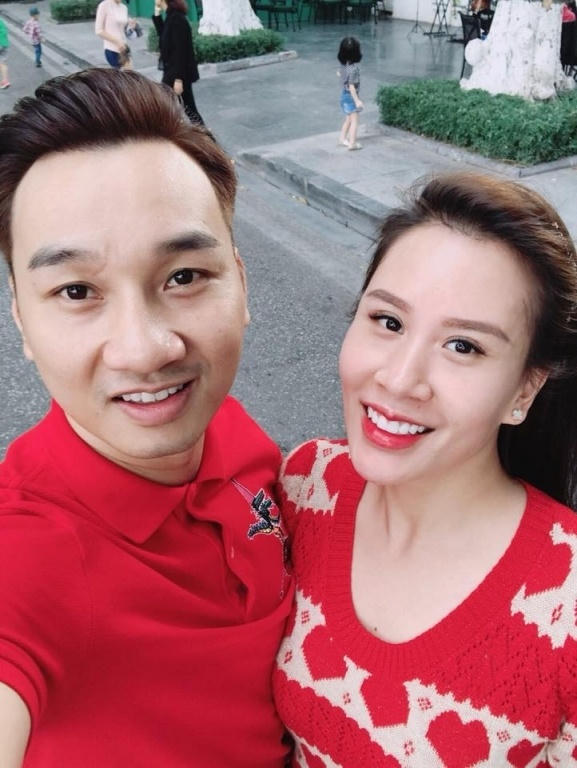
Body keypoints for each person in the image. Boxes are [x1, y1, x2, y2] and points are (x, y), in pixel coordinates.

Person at [0, 68, 292, 767]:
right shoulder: (30, 552)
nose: (146, 350)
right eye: (77, 291)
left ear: (241, 281)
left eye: (184, 277)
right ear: (22, 322)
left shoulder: (231, 430)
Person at [273, 172, 577, 766]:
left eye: (463, 346)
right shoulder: (305, 484)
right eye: (388, 321)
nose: (398, 379)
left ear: (524, 389)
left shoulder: (565, 606)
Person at [152, 0, 203, 124]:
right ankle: (201, 132)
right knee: (187, 109)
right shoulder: (171, 16)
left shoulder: (177, 19)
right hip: (172, 71)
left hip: (177, 74)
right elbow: (163, 37)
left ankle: (204, 133)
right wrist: (157, 14)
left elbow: (181, 52)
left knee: (188, 109)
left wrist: (179, 80)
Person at [337, 36, 363, 151]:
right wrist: (357, 100)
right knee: (355, 121)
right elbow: (352, 86)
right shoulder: (354, 69)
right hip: (350, 97)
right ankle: (352, 144)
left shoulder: (343, 66)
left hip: (344, 96)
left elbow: (339, 74)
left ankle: (342, 139)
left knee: (348, 119)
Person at [94, 0, 133, 69]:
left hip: (124, 48)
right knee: (119, 75)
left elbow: (123, 29)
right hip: (111, 49)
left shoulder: (124, 7)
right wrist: (117, 42)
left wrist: (131, 26)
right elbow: (99, 31)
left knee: (129, 73)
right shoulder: (104, 5)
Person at [0, 17, 10, 89]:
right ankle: (5, 81)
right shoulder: (1, 21)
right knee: (2, 63)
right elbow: (5, 31)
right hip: (4, 44)